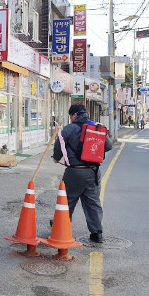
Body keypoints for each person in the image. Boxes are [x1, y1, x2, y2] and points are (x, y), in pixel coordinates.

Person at [52, 104, 112, 243]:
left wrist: (56, 158)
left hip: (74, 171)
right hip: (93, 171)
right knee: (93, 202)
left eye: (70, 116)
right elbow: (108, 146)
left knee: (67, 201)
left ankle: (61, 227)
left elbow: (58, 145)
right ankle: (97, 232)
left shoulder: (69, 129)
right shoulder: (96, 127)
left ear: (74, 115)